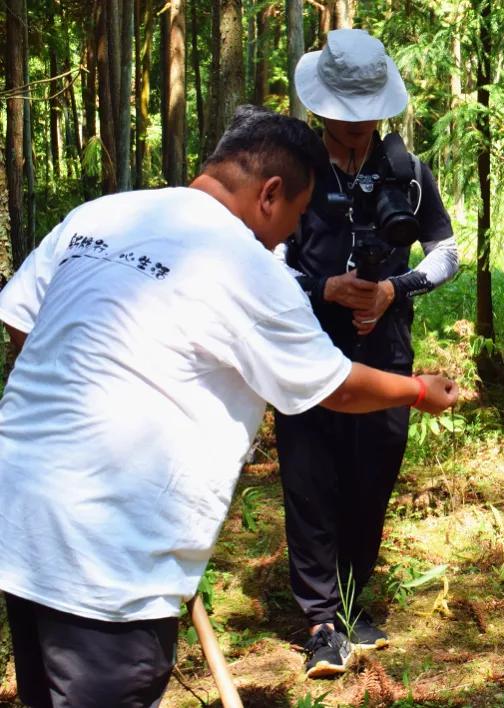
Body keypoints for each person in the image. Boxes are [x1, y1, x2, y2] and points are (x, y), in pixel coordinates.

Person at [0, 105, 459, 708]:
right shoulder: (243, 265)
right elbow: (334, 387)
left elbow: (20, 323)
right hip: (110, 557)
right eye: (294, 218)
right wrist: (419, 390)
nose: (284, 240)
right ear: (271, 194)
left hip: (19, 518)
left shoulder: (101, 215)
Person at [277, 28, 460, 678]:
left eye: (366, 117)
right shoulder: (293, 168)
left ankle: (354, 600)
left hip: (386, 346)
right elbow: (263, 256)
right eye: (343, 117)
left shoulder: (407, 171)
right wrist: (321, 286)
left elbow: (447, 252)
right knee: (308, 476)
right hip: (304, 345)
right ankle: (321, 620)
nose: (355, 129)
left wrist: (394, 288)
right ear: (320, 108)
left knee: (371, 474)